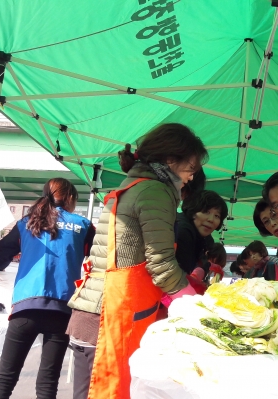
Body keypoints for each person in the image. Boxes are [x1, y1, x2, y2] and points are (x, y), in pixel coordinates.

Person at [66, 123, 207, 399]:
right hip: (105, 318)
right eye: (191, 167)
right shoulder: (155, 191)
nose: (191, 177)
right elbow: (162, 264)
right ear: (170, 160)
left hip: (99, 313)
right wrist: (197, 306)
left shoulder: (135, 183)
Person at [0, 178, 94, 399]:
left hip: (25, 307)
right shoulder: (82, 226)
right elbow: (100, 260)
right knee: (48, 383)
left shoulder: (25, 223)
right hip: (62, 311)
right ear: (70, 198)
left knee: (5, 378)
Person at [176, 190, 228, 276]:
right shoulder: (183, 231)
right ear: (193, 211)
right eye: (206, 212)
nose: (211, 219)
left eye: (217, 216)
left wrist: (206, 267)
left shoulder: (202, 237)